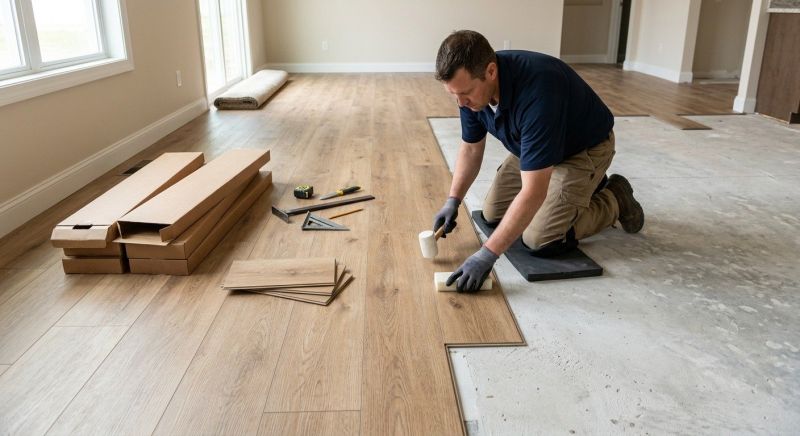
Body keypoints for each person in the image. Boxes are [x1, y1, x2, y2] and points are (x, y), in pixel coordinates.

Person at [432, 30, 644, 292]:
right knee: (493, 215)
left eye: (465, 93)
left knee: (540, 240)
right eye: (453, 95)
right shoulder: (471, 95)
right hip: (534, 147)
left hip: (581, 150)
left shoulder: (539, 92)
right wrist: (453, 199)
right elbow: (472, 149)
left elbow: (534, 192)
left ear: (490, 71)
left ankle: (614, 198)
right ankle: (578, 191)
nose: (460, 103)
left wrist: (487, 255)